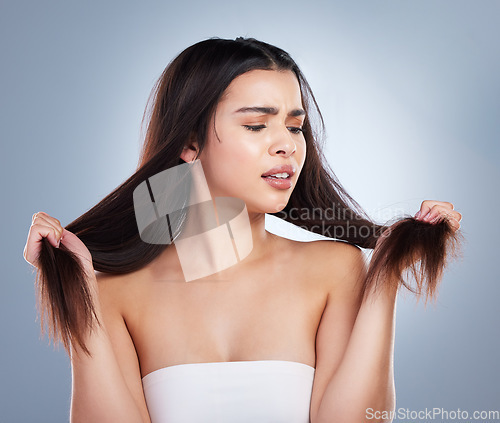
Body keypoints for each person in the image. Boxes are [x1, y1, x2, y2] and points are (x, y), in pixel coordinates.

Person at [23, 37, 462, 423]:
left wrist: (385, 273)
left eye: (295, 126)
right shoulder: (116, 292)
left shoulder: (334, 268)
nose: (287, 144)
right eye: (256, 125)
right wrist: (78, 295)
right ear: (189, 143)